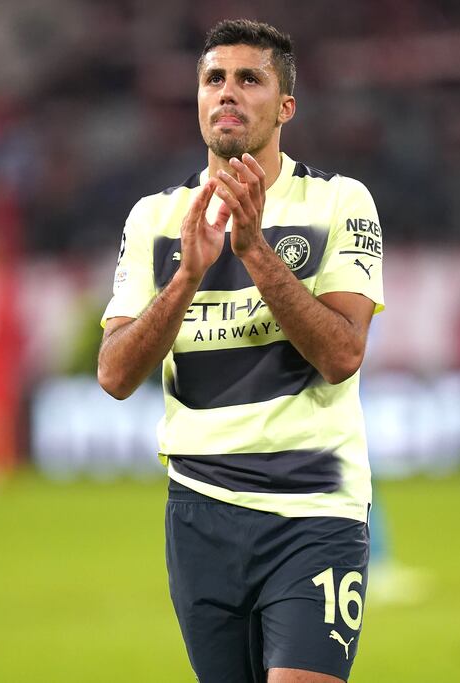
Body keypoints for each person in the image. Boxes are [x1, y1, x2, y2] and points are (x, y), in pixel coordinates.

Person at [97, 19, 384, 683]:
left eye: (248, 78)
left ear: (285, 105)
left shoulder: (339, 201)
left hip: (312, 508)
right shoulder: (155, 220)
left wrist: (255, 251)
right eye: (213, 79)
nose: (227, 92)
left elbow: (342, 353)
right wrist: (187, 277)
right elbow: (114, 373)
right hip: (200, 509)